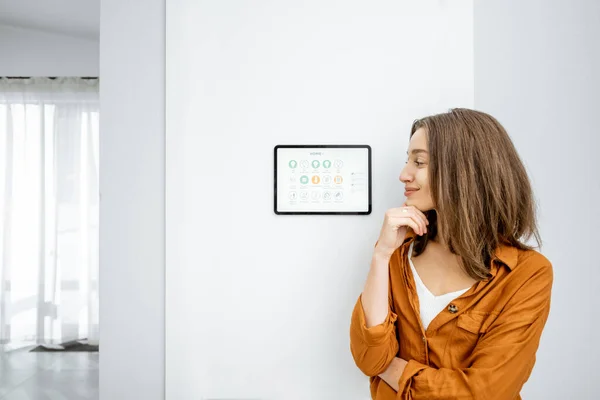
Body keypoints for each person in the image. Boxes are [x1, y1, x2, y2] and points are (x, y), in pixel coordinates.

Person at [349, 108, 553, 400]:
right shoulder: (395, 255)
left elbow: (484, 392)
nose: (403, 174)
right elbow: (369, 360)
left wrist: (395, 372)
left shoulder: (526, 273)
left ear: (465, 170)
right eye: (407, 160)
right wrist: (381, 255)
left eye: (418, 161)